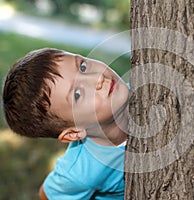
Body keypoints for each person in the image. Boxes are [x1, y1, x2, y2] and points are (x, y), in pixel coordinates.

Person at [2, 48, 130, 200]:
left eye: (83, 66)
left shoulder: (144, 89)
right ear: (73, 133)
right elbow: (47, 194)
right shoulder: (81, 171)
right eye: (77, 94)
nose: (97, 78)